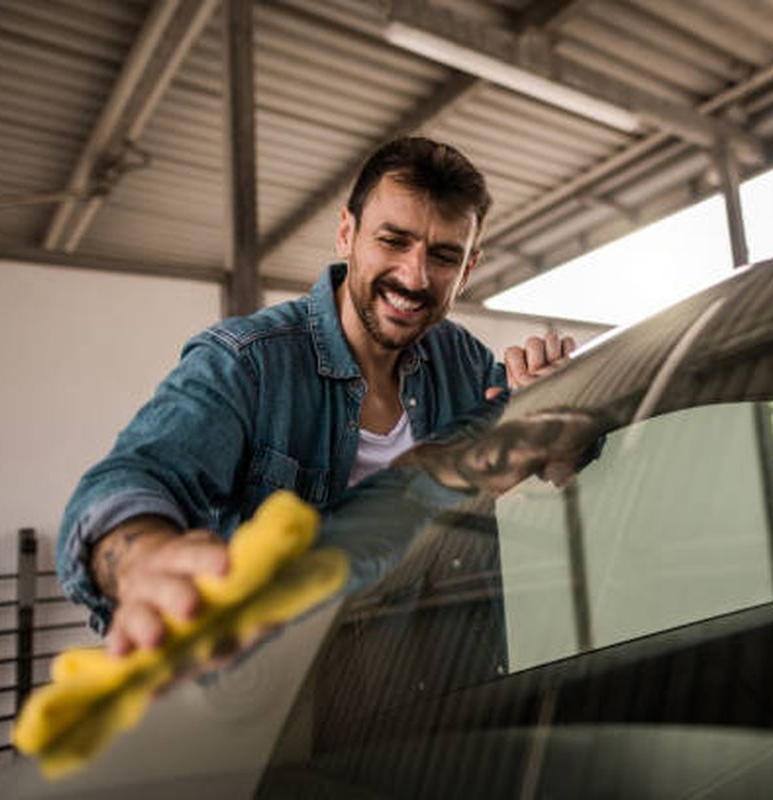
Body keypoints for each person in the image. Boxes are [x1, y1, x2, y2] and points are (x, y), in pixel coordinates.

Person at [56, 137, 575, 657]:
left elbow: (554, 458)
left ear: (468, 268)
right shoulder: (249, 362)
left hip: (448, 698)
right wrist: (142, 557)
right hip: (289, 713)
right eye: (393, 241)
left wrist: (555, 400)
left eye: (443, 256)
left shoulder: (463, 362)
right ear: (347, 233)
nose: (414, 277)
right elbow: (130, 478)